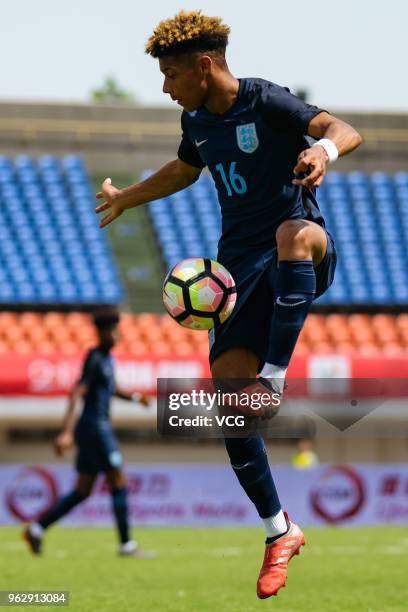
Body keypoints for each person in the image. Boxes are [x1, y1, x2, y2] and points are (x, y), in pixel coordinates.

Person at [94, 10, 362, 598]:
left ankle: (277, 376)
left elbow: (344, 128)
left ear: (204, 65)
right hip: (235, 276)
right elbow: (186, 171)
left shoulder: (266, 101)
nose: (165, 88)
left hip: (301, 250)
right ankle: (279, 530)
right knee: (231, 411)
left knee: (292, 233)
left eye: (170, 75)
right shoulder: (197, 120)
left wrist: (322, 153)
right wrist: (129, 196)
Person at [23, 310, 152, 558]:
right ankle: (126, 545)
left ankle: (37, 530)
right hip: (95, 429)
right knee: (119, 481)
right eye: (113, 330)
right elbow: (77, 392)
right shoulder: (94, 358)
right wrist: (66, 433)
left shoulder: (107, 359)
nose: (117, 334)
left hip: (93, 430)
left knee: (82, 491)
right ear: (103, 332)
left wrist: (136, 398)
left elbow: (112, 389)